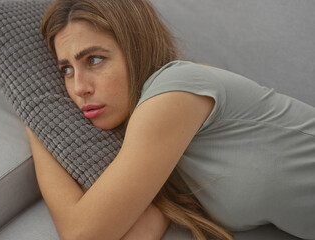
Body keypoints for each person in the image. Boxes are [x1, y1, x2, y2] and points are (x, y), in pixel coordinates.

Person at [25, 0, 315, 239]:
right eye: (66, 69)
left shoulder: (173, 90)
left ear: (136, 48)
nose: (79, 88)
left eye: (95, 60)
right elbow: (143, 225)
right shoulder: (158, 143)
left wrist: (36, 120)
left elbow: (82, 234)